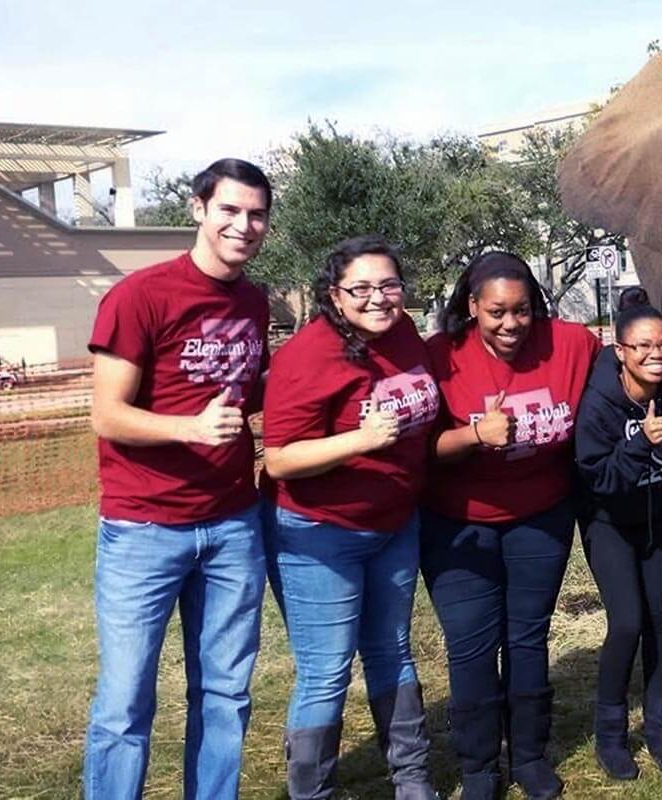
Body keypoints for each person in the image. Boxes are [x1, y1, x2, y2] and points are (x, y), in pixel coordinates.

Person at [83, 158, 272, 800]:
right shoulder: (140, 295)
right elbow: (106, 416)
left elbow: (252, 389)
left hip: (232, 526)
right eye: (229, 210)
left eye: (255, 214)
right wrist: (189, 429)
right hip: (143, 529)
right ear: (198, 209)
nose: (242, 225)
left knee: (225, 695)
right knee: (125, 702)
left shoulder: (253, 300)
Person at [260, 235, 440, 800]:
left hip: (393, 524)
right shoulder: (306, 355)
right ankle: (312, 792)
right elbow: (282, 457)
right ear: (334, 296)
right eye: (360, 288)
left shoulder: (405, 333)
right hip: (319, 532)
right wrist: (358, 440)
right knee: (327, 667)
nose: (378, 298)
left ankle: (411, 779)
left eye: (388, 285)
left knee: (393, 648)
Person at [421, 252, 601, 800]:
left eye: (521, 311)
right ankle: (478, 767)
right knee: (471, 646)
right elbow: (416, 449)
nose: (510, 324)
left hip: (541, 518)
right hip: (458, 525)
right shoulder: (438, 356)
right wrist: (475, 436)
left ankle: (529, 755)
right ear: (472, 307)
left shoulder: (571, 343)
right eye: (496, 311)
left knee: (527, 638)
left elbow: (632, 372)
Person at [574, 291, 662, 781]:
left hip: (660, 515)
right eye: (643, 346)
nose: (656, 354)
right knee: (626, 622)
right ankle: (610, 735)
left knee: (660, 621)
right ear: (620, 350)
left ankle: (660, 729)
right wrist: (638, 445)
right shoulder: (600, 402)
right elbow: (598, 477)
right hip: (609, 522)